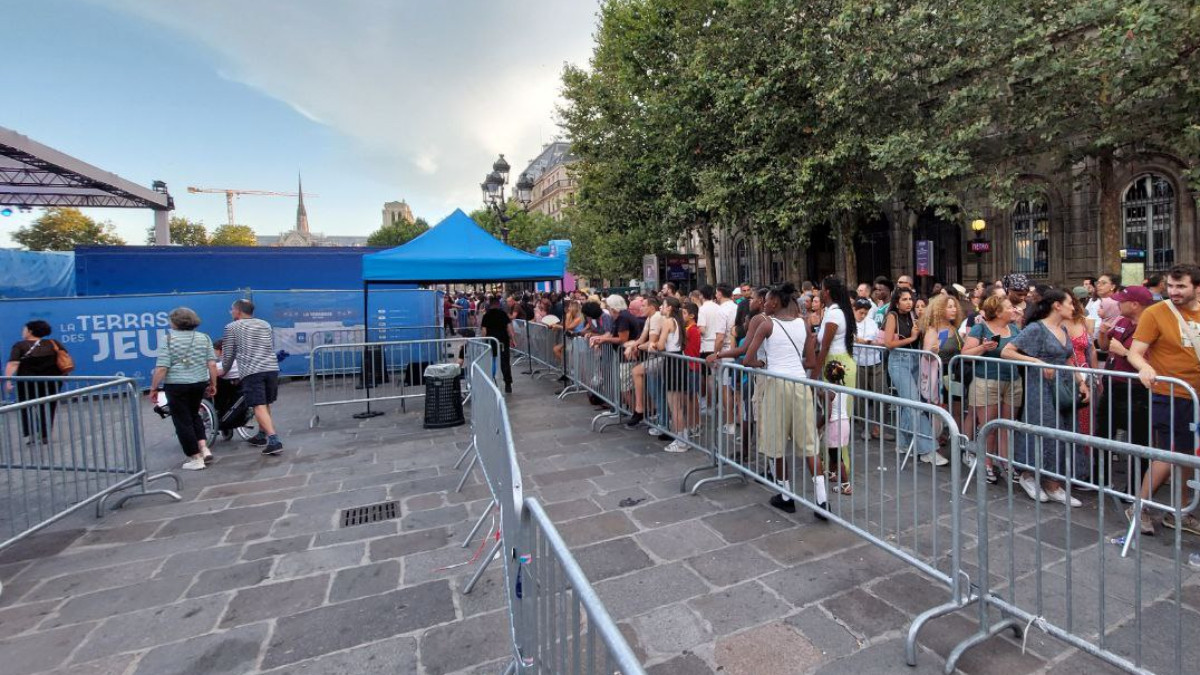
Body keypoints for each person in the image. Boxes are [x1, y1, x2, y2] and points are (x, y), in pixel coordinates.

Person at [740, 282, 829, 519]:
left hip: (777, 384)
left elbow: (748, 359)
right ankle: (822, 500)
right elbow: (810, 361)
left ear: (776, 302)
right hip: (800, 384)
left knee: (776, 442)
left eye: (767, 300)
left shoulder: (767, 323)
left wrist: (767, 364)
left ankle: (786, 495)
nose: (764, 303)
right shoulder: (803, 323)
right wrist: (791, 364)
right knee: (809, 442)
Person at [1126, 264, 1200, 536]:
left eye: (1181, 286)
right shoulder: (1156, 313)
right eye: (1170, 286)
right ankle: (1139, 506)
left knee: (1188, 458)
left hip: (1196, 397)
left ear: (1197, 288)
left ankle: (1180, 512)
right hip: (1170, 394)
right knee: (1169, 455)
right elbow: (1135, 352)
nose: (1174, 291)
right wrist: (1144, 367)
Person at [1001, 289, 1090, 506]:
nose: (1074, 307)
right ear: (1057, 305)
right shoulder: (1036, 328)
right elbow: (1008, 351)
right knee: (1043, 429)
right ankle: (1029, 475)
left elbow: (1068, 359)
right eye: (1070, 303)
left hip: (1064, 385)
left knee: (1063, 430)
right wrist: (1038, 362)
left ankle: (1052, 483)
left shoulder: (1062, 329)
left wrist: (1081, 382)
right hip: (1040, 387)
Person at [962, 295, 1022, 483]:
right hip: (986, 381)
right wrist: (983, 347)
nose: (1014, 309)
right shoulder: (981, 328)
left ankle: (1005, 463)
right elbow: (965, 354)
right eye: (1009, 307)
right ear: (997, 312)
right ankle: (986, 463)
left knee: (1007, 426)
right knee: (989, 427)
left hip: (1013, 381)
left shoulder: (1013, 328)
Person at [149, 308, 218, 470]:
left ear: (175, 322)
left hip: (176, 385)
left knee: (182, 421)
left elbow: (161, 368)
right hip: (199, 382)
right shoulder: (204, 338)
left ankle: (195, 457)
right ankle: (204, 447)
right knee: (194, 415)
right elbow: (212, 364)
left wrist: (154, 388)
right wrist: (213, 384)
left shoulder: (168, 340)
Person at [882, 288, 943, 465]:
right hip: (899, 362)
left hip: (915, 360)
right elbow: (888, 343)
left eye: (911, 299)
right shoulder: (892, 316)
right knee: (913, 404)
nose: (909, 302)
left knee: (908, 404)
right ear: (896, 302)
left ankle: (902, 443)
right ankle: (928, 449)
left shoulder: (912, 316)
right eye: (905, 299)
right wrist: (912, 338)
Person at [220, 299, 283, 455]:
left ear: (238, 311)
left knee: (258, 404)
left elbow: (228, 354)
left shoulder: (232, 327)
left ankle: (274, 440)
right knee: (266, 402)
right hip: (271, 367)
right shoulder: (265, 324)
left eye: (232, 309)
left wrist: (224, 371)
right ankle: (261, 435)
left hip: (251, 369)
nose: (231, 312)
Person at [4, 320, 68, 445]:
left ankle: (32, 433)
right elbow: (64, 359)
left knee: (27, 407)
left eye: (24, 329)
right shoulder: (53, 343)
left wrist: (8, 381)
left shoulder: (20, 346)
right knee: (49, 406)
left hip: (27, 382)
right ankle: (45, 434)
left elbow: (13, 364)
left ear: (30, 331)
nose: (23, 331)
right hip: (51, 381)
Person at [852, 298, 886, 438]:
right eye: (860, 313)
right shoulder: (850, 324)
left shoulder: (871, 322)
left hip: (875, 361)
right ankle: (864, 427)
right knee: (860, 397)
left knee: (882, 393)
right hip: (858, 363)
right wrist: (868, 342)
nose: (863, 315)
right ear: (854, 310)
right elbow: (854, 339)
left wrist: (869, 342)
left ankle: (879, 427)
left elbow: (877, 340)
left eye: (865, 313)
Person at [480, 295, 515, 394]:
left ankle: (491, 381)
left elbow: (484, 330)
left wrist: (484, 341)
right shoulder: (503, 314)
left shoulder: (486, 315)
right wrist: (513, 339)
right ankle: (508, 383)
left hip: (491, 341)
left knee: (491, 361)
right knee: (505, 362)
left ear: (490, 304)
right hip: (503, 341)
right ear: (498, 304)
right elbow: (509, 327)